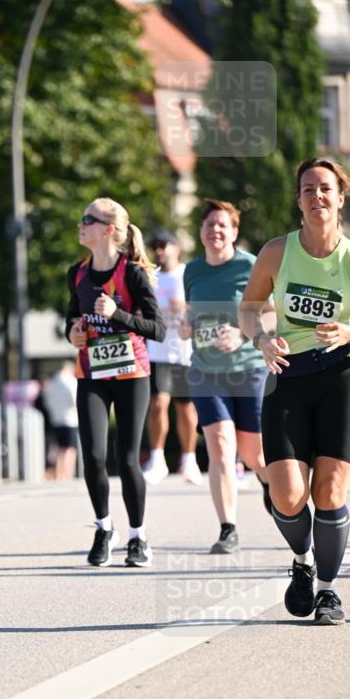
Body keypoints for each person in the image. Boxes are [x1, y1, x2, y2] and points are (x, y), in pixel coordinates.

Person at [239, 157, 350, 625]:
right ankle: (302, 561)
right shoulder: (276, 252)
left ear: (341, 197)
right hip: (287, 374)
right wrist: (262, 338)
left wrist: (348, 332)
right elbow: (248, 308)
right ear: (299, 199)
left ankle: (327, 590)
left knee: (329, 488)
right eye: (308, 189)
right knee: (287, 495)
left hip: (341, 376)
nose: (317, 196)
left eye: (325, 188)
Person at [66, 197, 166, 567]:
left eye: (87, 219)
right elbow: (71, 318)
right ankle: (104, 528)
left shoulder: (133, 273)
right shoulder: (76, 273)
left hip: (131, 375)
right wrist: (72, 333)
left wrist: (118, 314)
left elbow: (158, 329)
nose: (80, 224)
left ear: (108, 230)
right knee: (92, 456)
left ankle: (138, 537)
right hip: (92, 373)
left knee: (127, 459)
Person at [181, 200, 271, 554]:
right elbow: (191, 315)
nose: (215, 230)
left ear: (234, 232)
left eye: (222, 225)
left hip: (248, 369)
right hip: (205, 371)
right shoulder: (192, 271)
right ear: (201, 232)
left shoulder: (250, 267)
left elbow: (274, 315)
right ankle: (228, 528)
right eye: (209, 225)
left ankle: (267, 482)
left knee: (254, 455)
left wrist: (243, 334)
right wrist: (187, 325)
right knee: (220, 447)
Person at [143, 229, 202, 486]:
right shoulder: (149, 278)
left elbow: (205, 306)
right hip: (157, 351)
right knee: (157, 404)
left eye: (164, 245)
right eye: (155, 246)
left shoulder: (188, 273)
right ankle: (157, 459)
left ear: (176, 248)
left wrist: (187, 308)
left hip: (184, 352)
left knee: (186, 407)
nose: (159, 250)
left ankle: (189, 460)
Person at [42, 361, 79, 481]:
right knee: (70, 449)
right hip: (70, 419)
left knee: (59, 448)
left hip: (56, 419)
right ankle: (67, 474)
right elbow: (75, 400)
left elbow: (47, 402)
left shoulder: (52, 383)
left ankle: (59, 473)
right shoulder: (70, 382)